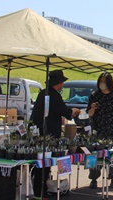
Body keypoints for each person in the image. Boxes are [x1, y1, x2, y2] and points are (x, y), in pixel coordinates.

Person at [31, 70, 80, 198]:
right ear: (59, 83)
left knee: (40, 165)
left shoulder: (43, 93)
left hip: (39, 133)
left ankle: (39, 191)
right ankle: (40, 192)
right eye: (62, 82)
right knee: (44, 166)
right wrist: (73, 111)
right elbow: (66, 112)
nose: (63, 84)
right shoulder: (54, 96)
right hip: (49, 135)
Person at [87, 72, 113, 189]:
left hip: (112, 129)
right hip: (97, 130)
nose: (102, 84)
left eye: (104, 81)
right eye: (100, 81)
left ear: (109, 83)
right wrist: (93, 108)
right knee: (96, 155)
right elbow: (89, 113)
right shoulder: (94, 95)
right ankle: (93, 178)